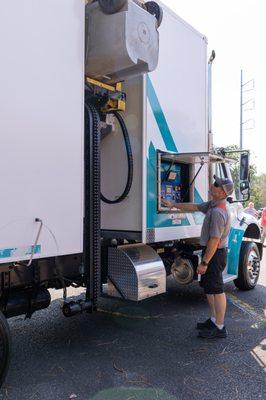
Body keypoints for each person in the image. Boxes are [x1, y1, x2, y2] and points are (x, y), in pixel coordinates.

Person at [162, 175, 234, 339]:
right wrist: (173, 204)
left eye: (216, 184)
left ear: (222, 192)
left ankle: (220, 327)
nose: (212, 185)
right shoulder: (212, 205)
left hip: (214, 254)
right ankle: (214, 319)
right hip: (212, 252)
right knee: (210, 288)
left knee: (217, 289)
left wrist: (205, 262)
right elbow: (193, 206)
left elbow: (214, 241)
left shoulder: (218, 212)